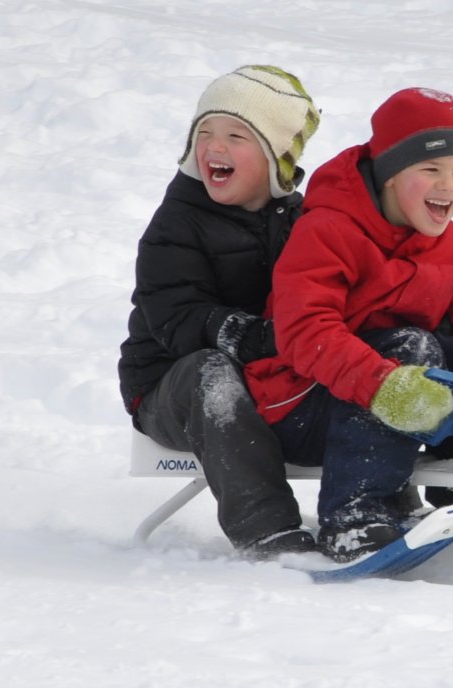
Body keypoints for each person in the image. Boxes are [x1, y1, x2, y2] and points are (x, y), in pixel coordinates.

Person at [244, 87, 453, 562]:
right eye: (431, 169)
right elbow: (304, 332)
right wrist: (383, 384)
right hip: (300, 405)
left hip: (394, 401)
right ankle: (355, 518)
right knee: (412, 346)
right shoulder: (328, 231)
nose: (448, 186)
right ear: (391, 174)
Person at [118, 65, 322, 559]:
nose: (215, 147)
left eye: (236, 136)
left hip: (268, 381)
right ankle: (266, 531)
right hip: (170, 388)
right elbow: (178, 317)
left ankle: (375, 510)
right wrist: (255, 336)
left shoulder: (303, 221)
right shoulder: (177, 222)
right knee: (211, 373)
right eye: (204, 133)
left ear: (276, 156)